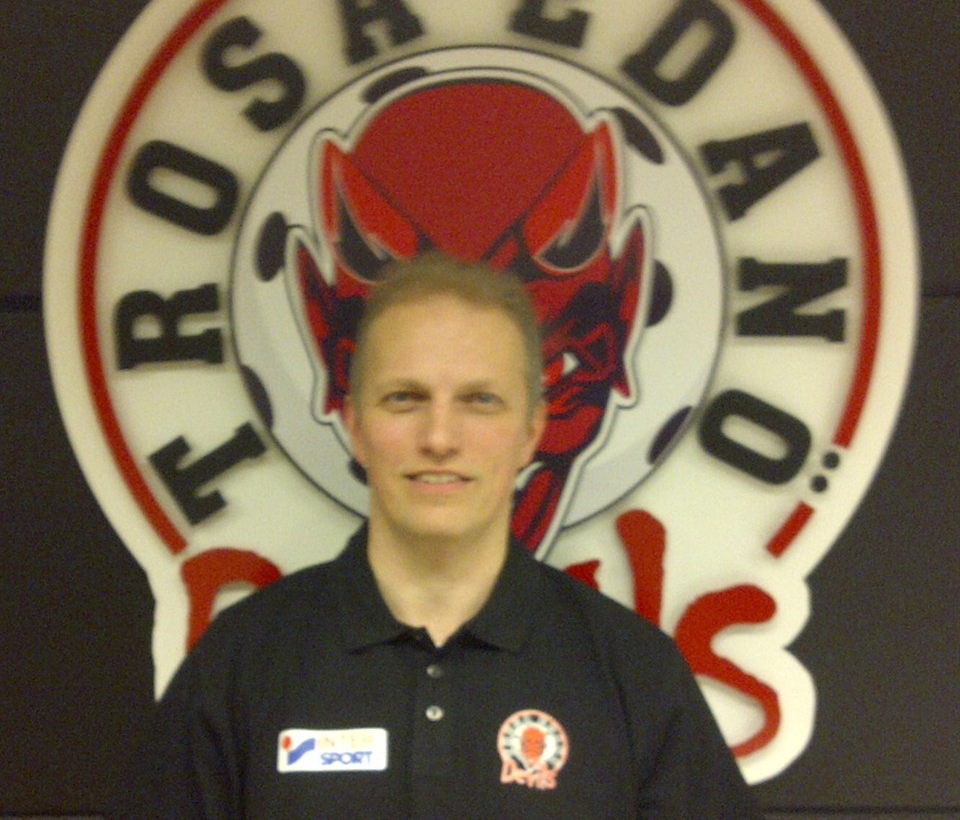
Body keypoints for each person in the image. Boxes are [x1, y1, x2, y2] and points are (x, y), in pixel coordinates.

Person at [107, 252, 765, 819]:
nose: (440, 438)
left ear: (531, 431)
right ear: (355, 425)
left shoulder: (633, 672)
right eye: (405, 398)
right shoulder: (243, 662)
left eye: (480, 400)